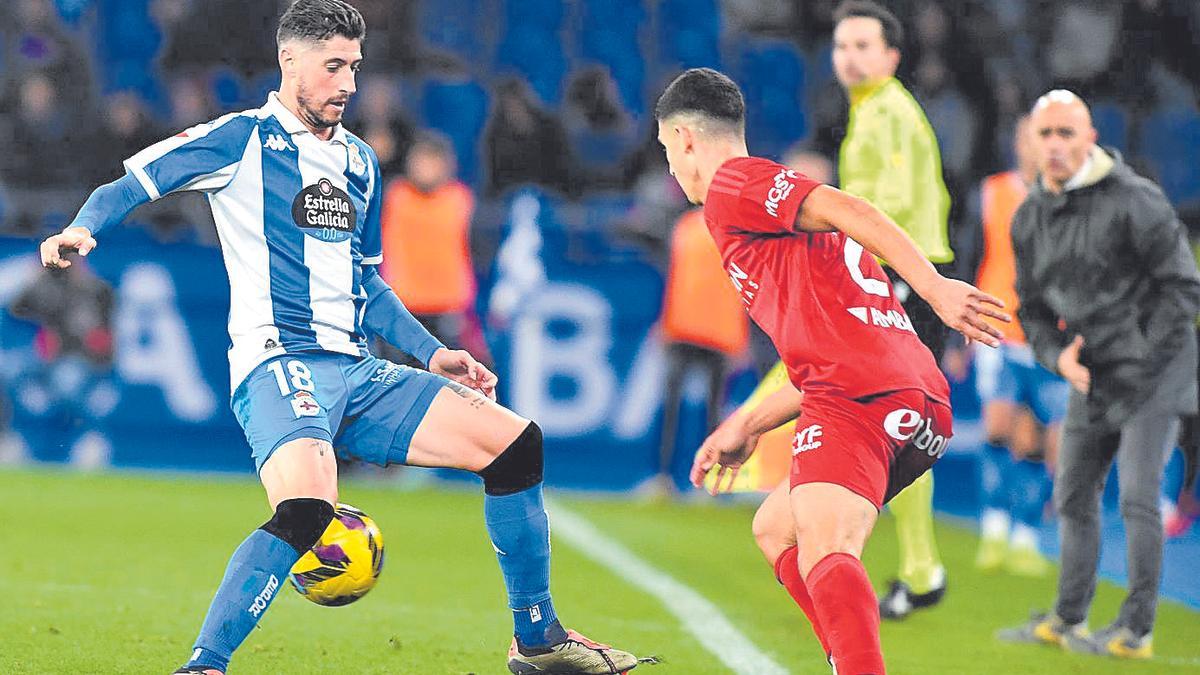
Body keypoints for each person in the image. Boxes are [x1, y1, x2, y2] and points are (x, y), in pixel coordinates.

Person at [37, 2, 638, 674]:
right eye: (333, 66)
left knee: (516, 445)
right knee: (307, 507)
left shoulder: (359, 160)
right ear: (289, 60)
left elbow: (364, 280)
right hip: (279, 362)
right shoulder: (242, 139)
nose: (349, 82)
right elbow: (134, 183)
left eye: (354, 65)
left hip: (358, 369)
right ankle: (204, 664)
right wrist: (82, 228)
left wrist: (432, 351)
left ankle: (537, 638)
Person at [657, 67, 1006, 675]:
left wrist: (933, 287)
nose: (669, 166)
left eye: (666, 149)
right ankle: (847, 659)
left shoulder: (735, 184)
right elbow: (831, 351)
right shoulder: (781, 231)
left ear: (685, 139)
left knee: (827, 546)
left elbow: (845, 205)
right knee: (777, 529)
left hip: (862, 397)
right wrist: (747, 423)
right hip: (915, 399)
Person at [998, 90, 1200, 660]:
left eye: (1067, 133)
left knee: (1137, 497)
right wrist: (1058, 357)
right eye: (1045, 134)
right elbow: (1032, 309)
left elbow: (1183, 287)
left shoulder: (1137, 200)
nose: (1055, 145)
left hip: (1157, 367)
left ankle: (1136, 630)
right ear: (1031, 142)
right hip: (1091, 370)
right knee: (1072, 493)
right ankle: (1068, 618)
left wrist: (1139, 354)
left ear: (1089, 138)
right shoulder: (1029, 217)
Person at [830, 0, 956, 619]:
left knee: (896, 426)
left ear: (891, 56)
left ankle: (913, 568)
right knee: (895, 425)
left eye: (863, 46)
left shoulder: (887, 112)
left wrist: (856, 270)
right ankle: (918, 568)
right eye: (841, 46)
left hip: (904, 280)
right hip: (901, 278)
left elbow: (893, 207)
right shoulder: (873, 111)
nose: (850, 57)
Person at [972, 116, 1068, 577]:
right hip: (997, 326)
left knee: (1035, 440)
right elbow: (973, 254)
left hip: (1047, 335)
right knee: (997, 427)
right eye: (1031, 137)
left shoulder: (1069, 199)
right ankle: (993, 529)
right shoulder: (993, 192)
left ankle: (1024, 537)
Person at [654, 204, 749, 493]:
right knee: (673, 407)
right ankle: (663, 476)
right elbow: (676, 276)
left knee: (711, 413)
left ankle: (707, 482)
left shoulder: (736, 228)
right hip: (685, 328)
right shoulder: (687, 225)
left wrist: (740, 338)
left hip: (719, 332)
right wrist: (665, 321)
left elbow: (744, 284)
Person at [378, 131, 483, 366]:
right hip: (403, 306)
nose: (425, 168)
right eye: (421, 161)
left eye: (432, 161)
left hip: (448, 306)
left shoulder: (461, 200)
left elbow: (478, 250)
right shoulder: (394, 196)